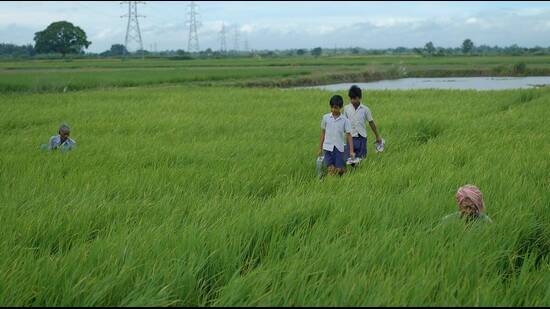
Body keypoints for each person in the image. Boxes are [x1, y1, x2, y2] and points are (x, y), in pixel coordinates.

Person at [318, 95, 355, 176]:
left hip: (338, 148)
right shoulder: (326, 118)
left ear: (340, 107)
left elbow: (349, 135)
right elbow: (323, 133)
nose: (333, 110)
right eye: (332, 107)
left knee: (338, 170)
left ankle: (343, 171)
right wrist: (320, 148)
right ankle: (330, 184)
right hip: (327, 147)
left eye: (336, 108)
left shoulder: (345, 120)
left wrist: (351, 151)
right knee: (331, 169)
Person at [343, 85, 382, 160]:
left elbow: (371, 123)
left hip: (362, 137)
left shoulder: (365, 109)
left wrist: (377, 136)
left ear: (359, 98)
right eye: (351, 99)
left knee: (361, 158)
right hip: (351, 137)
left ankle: (360, 169)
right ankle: (354, 169)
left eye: (354, 98)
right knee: (351, 158)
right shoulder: (346, 108)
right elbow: (344, 123)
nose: (352, 101)